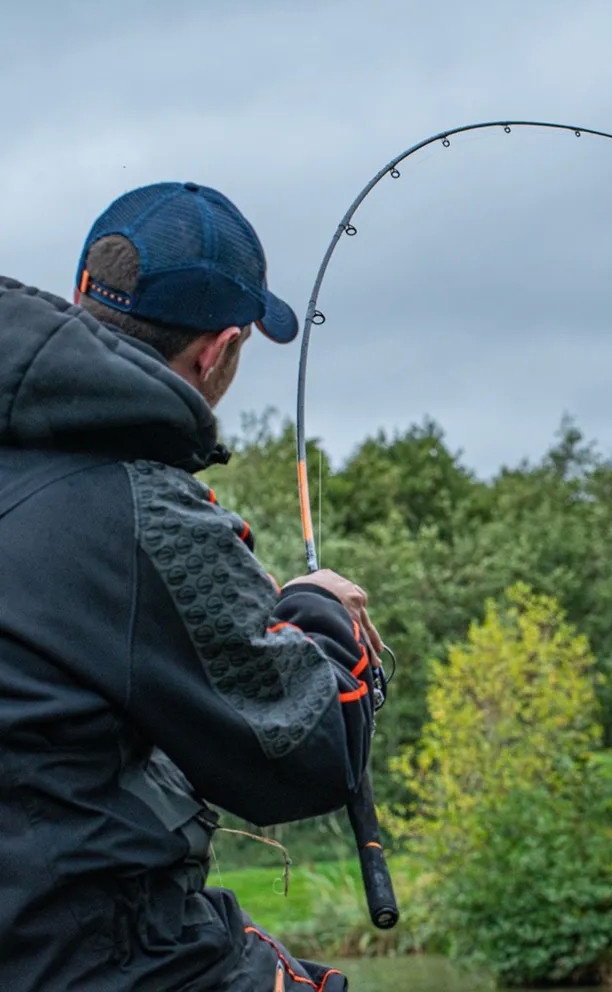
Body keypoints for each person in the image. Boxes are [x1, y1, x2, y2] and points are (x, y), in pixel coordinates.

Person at [0, 181, 382, 990]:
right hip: (78, 954)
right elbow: (300, 755)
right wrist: (317, 612)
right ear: (219, 350)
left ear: (81, 296)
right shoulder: (146, 512)